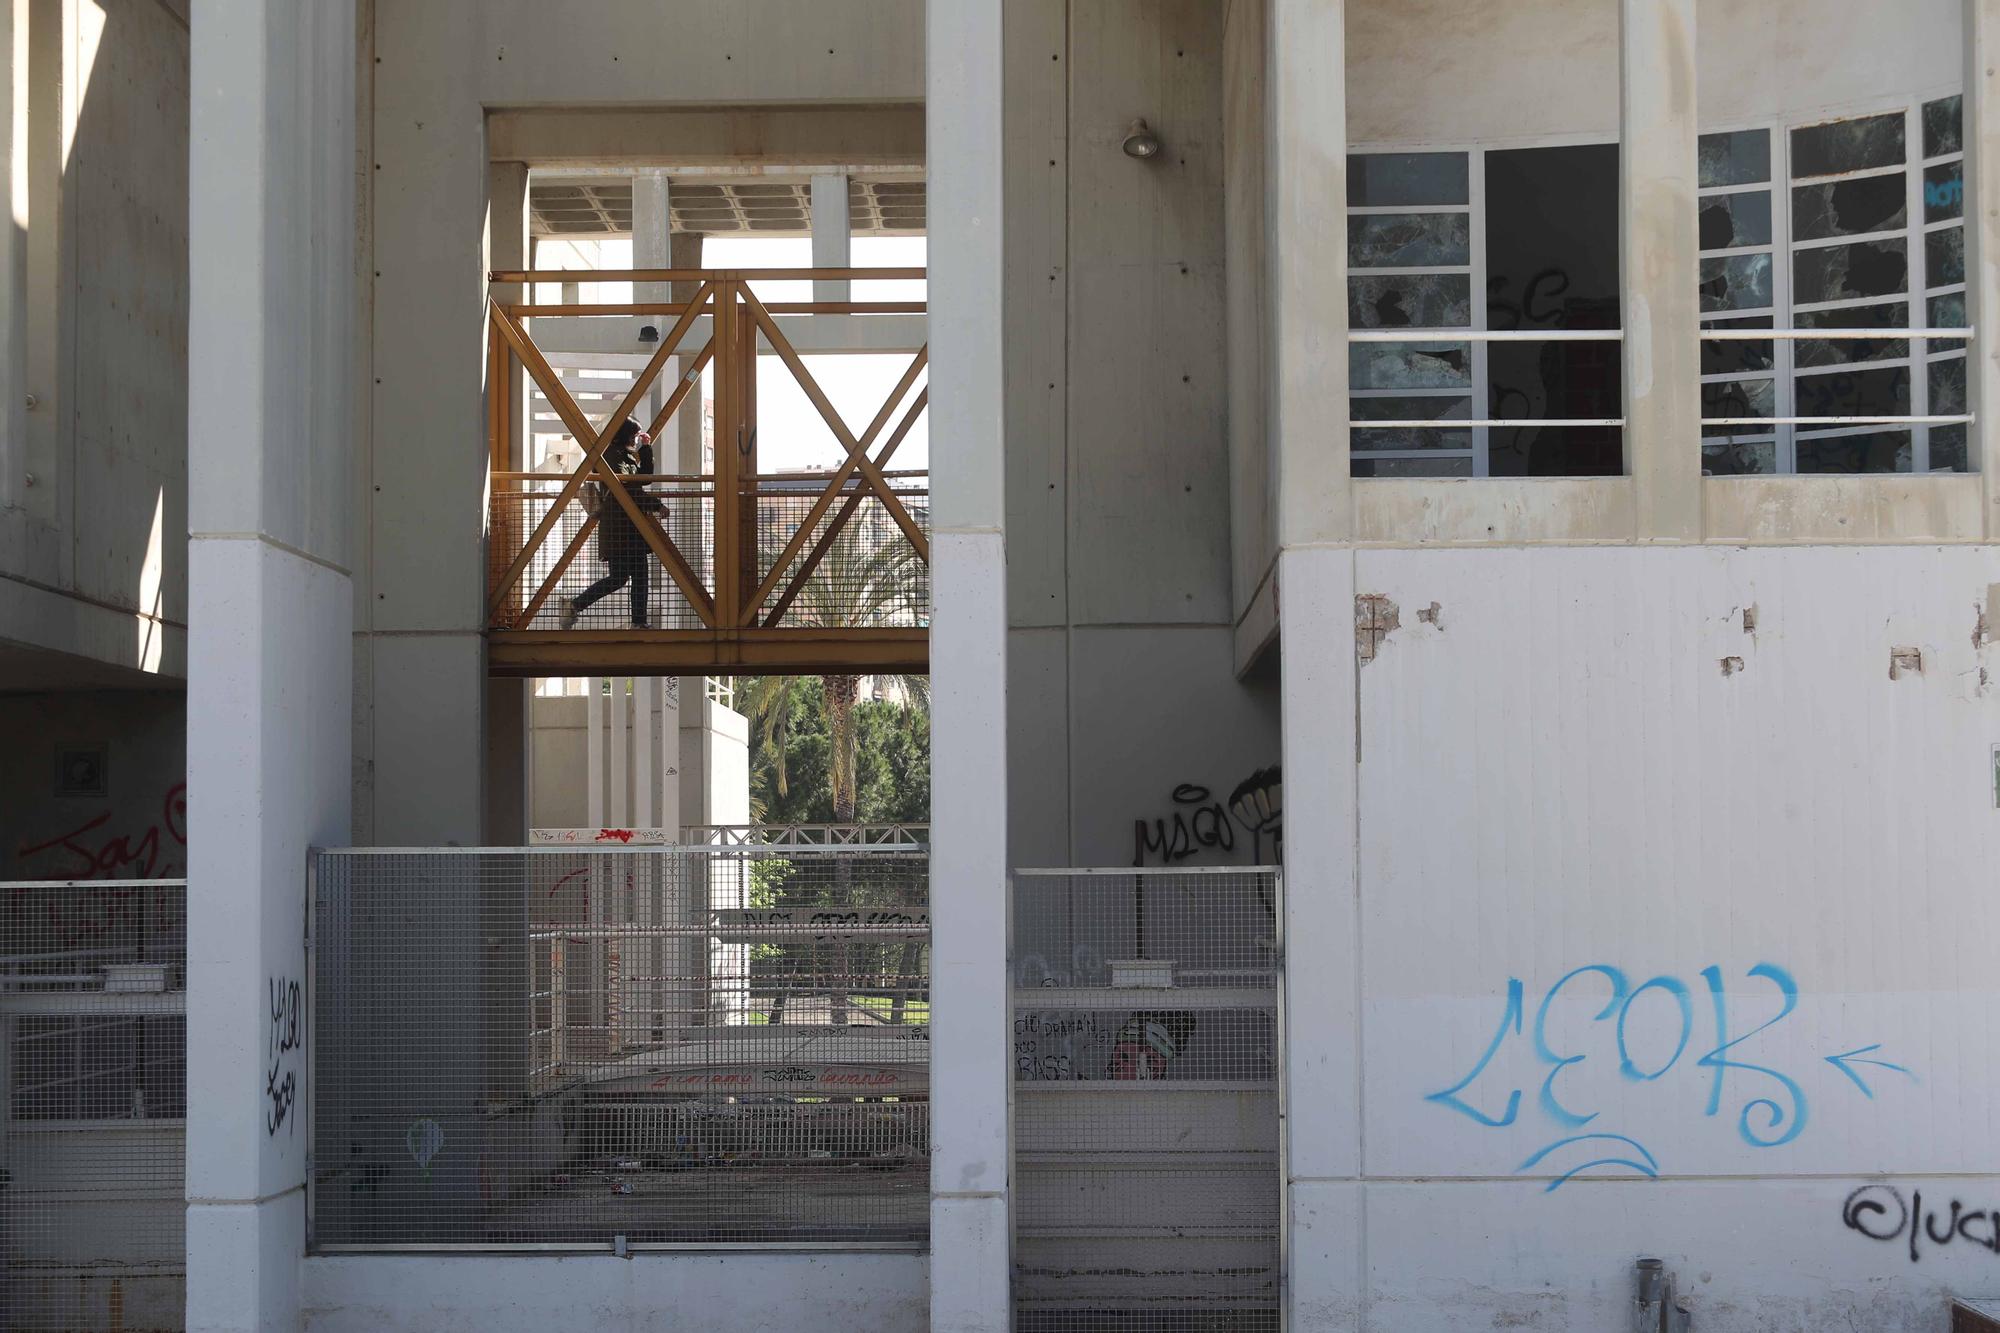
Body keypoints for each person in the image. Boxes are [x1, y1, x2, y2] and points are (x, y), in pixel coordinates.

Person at [560, 418, 659, 629]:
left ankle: (577, 606)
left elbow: (641, 480)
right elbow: (630, 488)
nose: (635, 439)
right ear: (625, 435)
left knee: (622, 577)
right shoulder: (614, 457)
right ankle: (637, 622)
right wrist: (656, 504)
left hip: (622, 527)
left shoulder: (617, 456)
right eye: (633, 435)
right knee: (633, 576)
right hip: (624, 527)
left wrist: (646, 449)